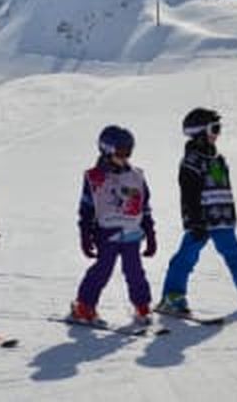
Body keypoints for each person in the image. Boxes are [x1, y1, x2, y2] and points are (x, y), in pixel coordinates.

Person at [156, 108, 237, 314]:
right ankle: (172, 296)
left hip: (222, 219)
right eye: (215, 128)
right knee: (185, 257)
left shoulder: (218, 159)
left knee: (235, 254)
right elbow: (189, 195)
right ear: (200, 133)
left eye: (219, 128)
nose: (218, 133)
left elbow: (225, 190)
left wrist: (231, 215)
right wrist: (194, 221)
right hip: (200, 222)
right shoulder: (191, 162)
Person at [70, 125, 157, 325]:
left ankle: (142, 306)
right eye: (121, 152)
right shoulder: (94, 177)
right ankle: (84, 305)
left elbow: (145, 206)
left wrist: (150, 234)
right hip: (106, 232)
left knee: (135, 271)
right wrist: (85, 235)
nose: (126, 157)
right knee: (103, 269)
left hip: (132, 232)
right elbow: (86, 209)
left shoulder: (136, 175)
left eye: (129, 152)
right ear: (107, 150)